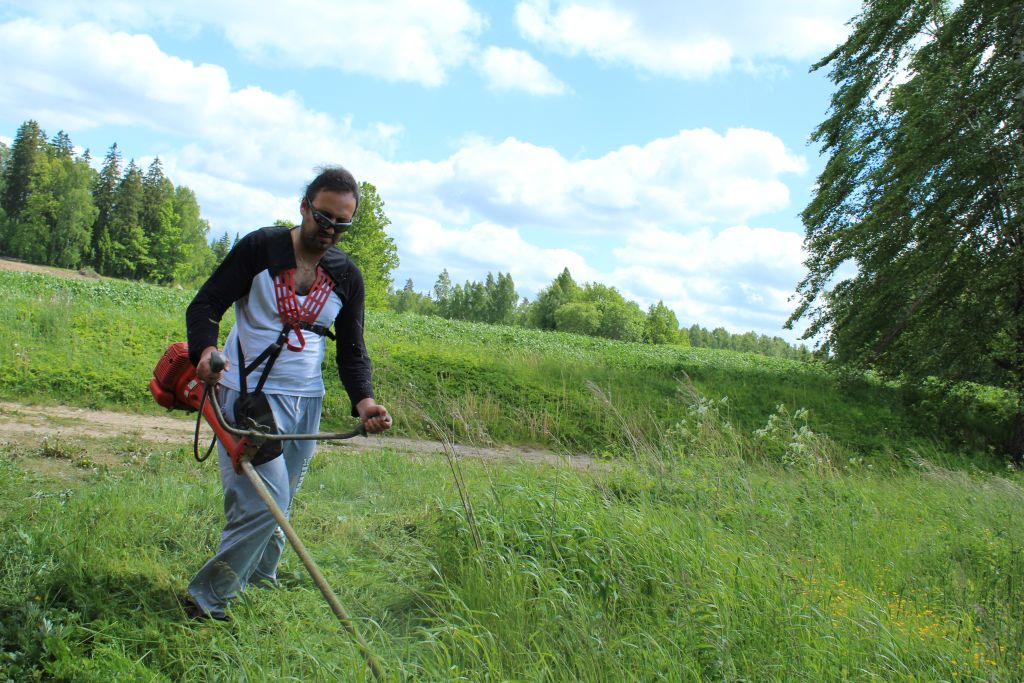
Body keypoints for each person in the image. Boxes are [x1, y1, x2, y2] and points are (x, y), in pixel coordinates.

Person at [183, 166, 391, 620]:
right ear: (304, 207)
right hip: (247, 396)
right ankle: (207, 599)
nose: (331, 231)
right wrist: (205, 349)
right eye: (324, 218)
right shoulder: (261, 248)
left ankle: (261, 581)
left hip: (306, 402)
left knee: (283, 497)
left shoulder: (345, 275)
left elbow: (352, 352)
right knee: (264, 501)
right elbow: (205, 303)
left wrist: (366, 401)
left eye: (342, 223)